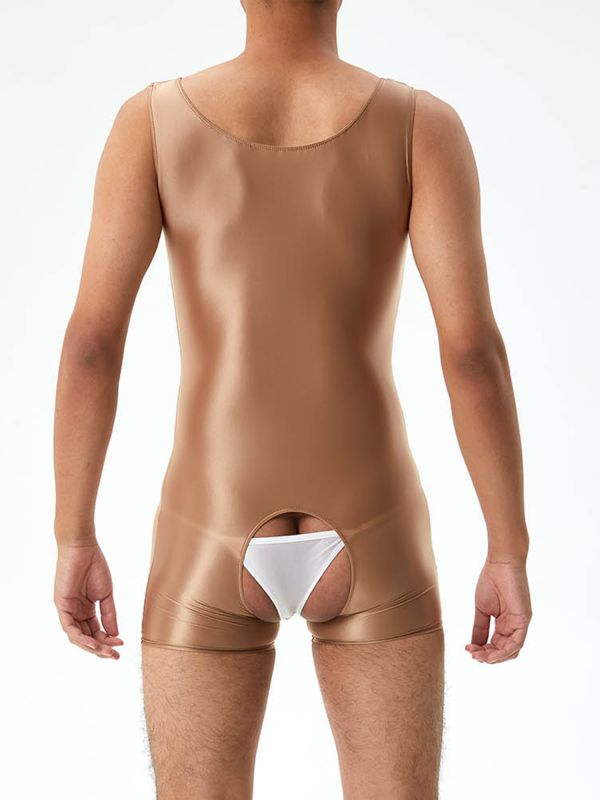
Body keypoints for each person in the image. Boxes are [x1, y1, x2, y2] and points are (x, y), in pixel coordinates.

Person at [52, 0, 533, 797]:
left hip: (206, 518)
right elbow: (473, 355)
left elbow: (91, 345)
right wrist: (507, 548)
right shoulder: (422, 126)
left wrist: (74, 535)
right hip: (376, 518)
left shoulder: (152, 123)